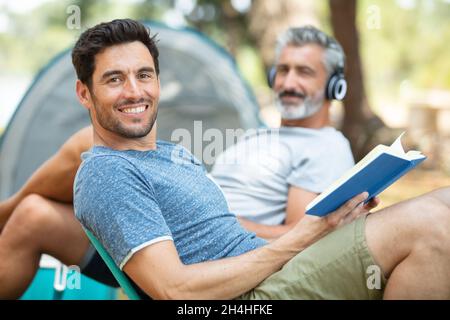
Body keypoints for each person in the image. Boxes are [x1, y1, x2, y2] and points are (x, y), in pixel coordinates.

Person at [1, 19, 450, 299]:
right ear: (84, 93)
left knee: (443, 203)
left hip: (267, 264)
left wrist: (323, 228)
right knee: (434, 226)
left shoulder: (170, 154)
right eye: (114, 79)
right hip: (257, 290)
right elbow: (175, 290)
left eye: (144, 75)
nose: (135, 91)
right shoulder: (108, 172)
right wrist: (300, 238)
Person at [211, 26, 354, 239]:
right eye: (283, 70)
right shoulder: (260, 135)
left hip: (214, 244)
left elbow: (296, 237)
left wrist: (220, 224)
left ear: (334, 86)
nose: (288, 83)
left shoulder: (326, 146)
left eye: (304, 72)